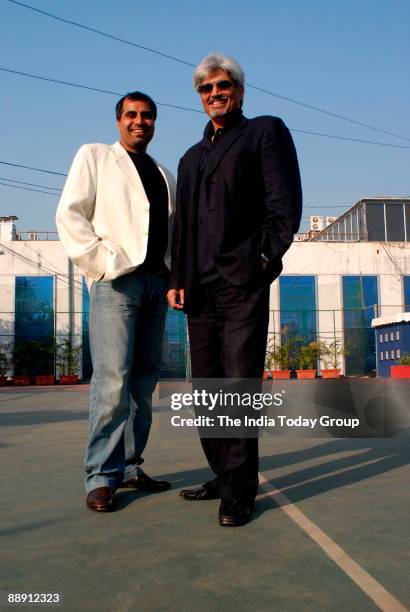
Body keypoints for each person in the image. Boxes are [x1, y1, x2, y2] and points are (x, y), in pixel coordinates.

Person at [168, 54, 302, 526]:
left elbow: (283, 205)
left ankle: (241, 491)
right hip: (198, 292)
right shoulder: (190, 157)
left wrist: (263, 261)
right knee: (206, 389)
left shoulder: (264, 132)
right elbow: (181, 227)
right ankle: (222, 476)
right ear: (200, 97)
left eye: (223, 85)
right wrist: (177, 280)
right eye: (206, 89)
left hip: (241, 283)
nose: (215, 94)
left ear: (239, 90)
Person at [56, 91, 175, 512]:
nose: (139, 122)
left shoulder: (163, 172)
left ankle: (129, 467)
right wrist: (102, 264)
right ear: (118, 120)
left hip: (156, 286)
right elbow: (70, 214)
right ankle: (101, 476)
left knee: (144, 384)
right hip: (117, 283)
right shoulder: (94, 156)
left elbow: (171, 230)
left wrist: (171, 274)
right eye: (131, 115)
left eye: (146, 116)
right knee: (112, 381)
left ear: (154, 123)